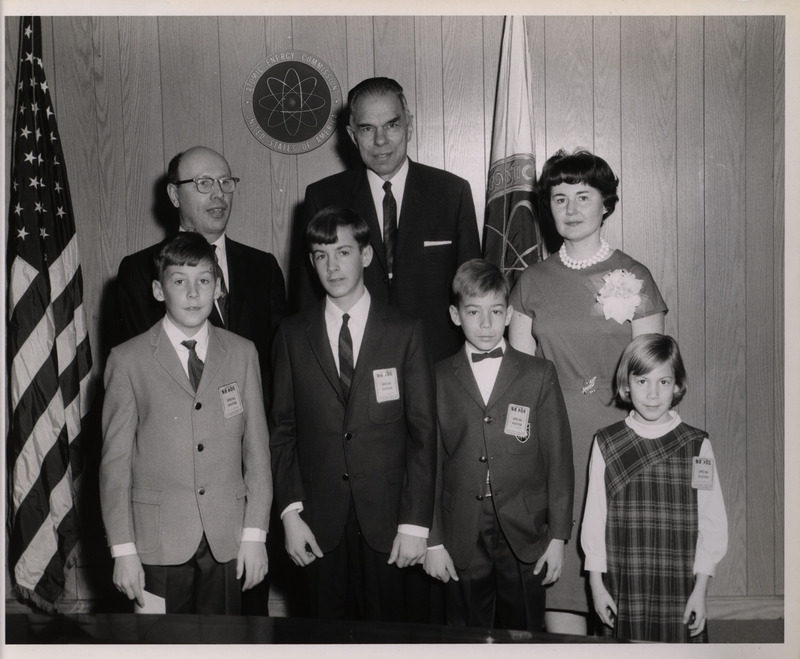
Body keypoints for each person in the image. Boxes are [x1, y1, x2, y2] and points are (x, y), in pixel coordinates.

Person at [114, 146, 285, 615]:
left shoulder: (263, 266)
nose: (218, 194)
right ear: (173, 194)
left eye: (226, 182)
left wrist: (259, 521)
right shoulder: (137, 271)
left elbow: (272, 384)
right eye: (203, 183)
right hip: (166, 525)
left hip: (234, 514)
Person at [508, 149, 667, 634]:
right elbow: (517, 378)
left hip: (623, 441)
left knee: (625, 579)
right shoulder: (530, 282)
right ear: (547, 207)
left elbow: (653, 374)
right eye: (559, 198)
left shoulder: (634, 276)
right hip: (555, 443)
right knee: (562, 585)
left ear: (606, 204)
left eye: (583, 196)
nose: (571, 208)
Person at [269, 206, 437, 621]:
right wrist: (290, 515)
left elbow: (423, 435)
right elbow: (282, 432)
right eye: (321, 255)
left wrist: (415, 525)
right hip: (316, 524)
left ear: (365, 255)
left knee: (389, 640)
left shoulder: (404, 331)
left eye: (343, 252)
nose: (332, 265)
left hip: (389, 524)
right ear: (310, 262)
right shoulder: (292, 335)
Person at [423, 259, 573, 632]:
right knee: (466, 631)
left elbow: (558, 459)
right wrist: (433, 541)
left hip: (525, 530)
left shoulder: (538, 374)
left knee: (524, 631)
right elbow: (429, 465)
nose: (485, 324)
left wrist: (557, 536)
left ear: (509, 315)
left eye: (494, 312)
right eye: (474, 312)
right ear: (455, 316)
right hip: (462, 530)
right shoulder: (437, 377)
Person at [299, 77, 481, 363]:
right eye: (367, 129)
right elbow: (307, 303)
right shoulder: (322, 197)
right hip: (354, 364)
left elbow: (474, 292)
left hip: (437, 364)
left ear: (409, 123)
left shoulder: (452, 192)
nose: (380, 141)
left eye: (392, 125)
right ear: (351, 134)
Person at [581, 334, 728, 642]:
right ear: (626, 385)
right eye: (642, 381)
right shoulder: (606, 442)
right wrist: (596, 585)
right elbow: (594, 519)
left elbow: (711, 522)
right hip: (625, 577)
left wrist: (700, 591)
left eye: (663, 382)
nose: (651, 394)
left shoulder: (697, 444)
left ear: (677, 386)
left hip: (679, 579)